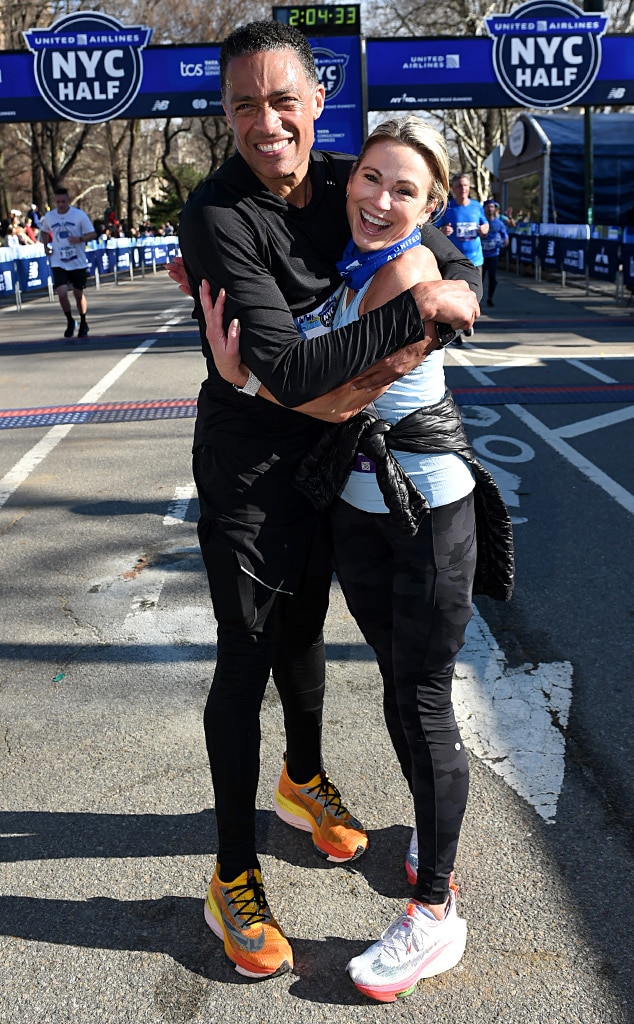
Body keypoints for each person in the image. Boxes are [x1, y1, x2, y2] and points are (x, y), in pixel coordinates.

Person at [175, 19, 481, 982]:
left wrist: (460, 282)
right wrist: (411, 316)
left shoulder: (352, 176)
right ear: (224, 116)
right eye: (242, 106)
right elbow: (295, 371)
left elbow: (427, 235)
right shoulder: (217, 217)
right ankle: (233, 871)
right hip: (252, 478)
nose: (265, 123)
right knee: (248, 658)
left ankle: (304, 781)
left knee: (307, 644)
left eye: (282, 100)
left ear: (317, 102)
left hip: (336, 467)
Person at [39, 187, 96, 340]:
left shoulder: (79, 215)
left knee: (78, 294)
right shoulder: (50, 217)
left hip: (77, 261)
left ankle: (83, 322)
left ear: (68, 200)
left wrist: (80, 239)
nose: (61, 204)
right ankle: (70, 321)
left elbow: (93, 233)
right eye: (58, 202)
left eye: (63, 201)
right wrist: (46, 246)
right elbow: (44, 231)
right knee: (62, 292)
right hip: (58, 260)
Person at [437, 173, 488, 342]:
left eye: (466, 185)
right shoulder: (447, 208)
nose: (463, 189)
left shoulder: (476, 206)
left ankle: (466, 323)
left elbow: (484, 224)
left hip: (475, 259)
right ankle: (458, 329)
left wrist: (484, 229)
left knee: (474, 295)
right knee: (455, 298)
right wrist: (443, 231)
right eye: (459, 186)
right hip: (454, 261)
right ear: (453, 189)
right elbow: (433, 229)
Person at [481, 199, 509, 307]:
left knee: (492, 278)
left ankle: (489, 298)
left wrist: (506, 239)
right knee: (480, 279)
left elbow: (504, 233)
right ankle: (478, 300)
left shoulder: (499, 223)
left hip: (493, 254)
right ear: (484, 208)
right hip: (481, 256)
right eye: (488, 207)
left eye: (492, 207)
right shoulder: (481, 221)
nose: (490, 209)